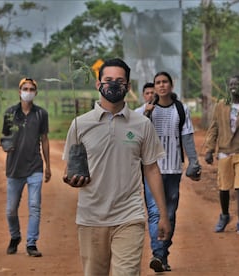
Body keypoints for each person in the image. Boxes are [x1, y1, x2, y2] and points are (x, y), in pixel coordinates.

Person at [62, 58, 171, 276]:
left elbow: (151, 169)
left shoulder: (142, 125)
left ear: (128, 87)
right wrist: (71, 179)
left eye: (119, 81)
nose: (113, 85)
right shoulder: (79, 125)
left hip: (129, 215)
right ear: (98, 84)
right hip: (91, 217)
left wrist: (163, 214)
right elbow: (71, 169)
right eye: (108, 80)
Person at [139, 71, 201, 273]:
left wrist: (193, 161)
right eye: (158, 82)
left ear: (171, 86)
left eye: (165, 82)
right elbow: (135, 136)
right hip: (151, 169)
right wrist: (147, 114)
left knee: (170, 214)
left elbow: (187, 137)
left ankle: (163, 254)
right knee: (156, 212)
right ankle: (157, 254)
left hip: (173, 169)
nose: (161, 85)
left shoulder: (181, 109)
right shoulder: (144, 110)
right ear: (154, 87)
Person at [204, 75, 239, 236]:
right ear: (228, 87)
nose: (234, 87)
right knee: (223, 187)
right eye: (231, 84)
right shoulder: (221, 105)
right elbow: (214, 128)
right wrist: (210, 149)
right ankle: (224, 215)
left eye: (237, 84)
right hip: (224, 150)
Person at [1, 78, 51, 257]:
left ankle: (31, 243)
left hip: (35, 166)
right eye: (25, 88)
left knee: (34, 205)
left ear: (36, 93)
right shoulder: (10, 114)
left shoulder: (41, 114)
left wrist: (48, 166)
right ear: (19, 91)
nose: (28, 91)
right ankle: (15, 236)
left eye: (31, 89)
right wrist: (7, 145)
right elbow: (5, 137)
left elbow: (44, 139)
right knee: (11, 209)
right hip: (14, 168)